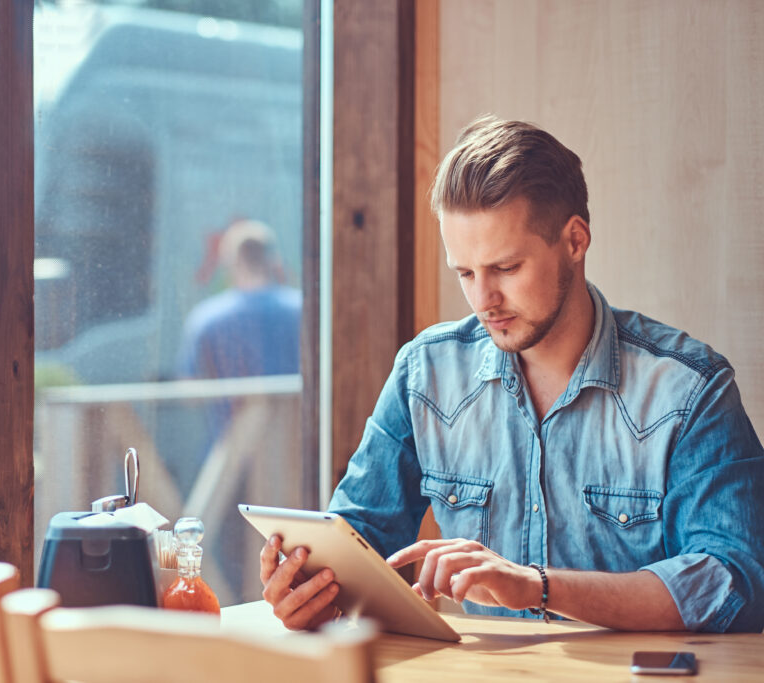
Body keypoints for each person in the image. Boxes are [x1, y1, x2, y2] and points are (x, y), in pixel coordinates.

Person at [259, 115, 764, 633]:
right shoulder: (425, 373)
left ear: (574, 240)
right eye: (465, 274)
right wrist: (310, 588)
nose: (484, 300)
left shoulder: (690, 389)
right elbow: (358, 539)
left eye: (505, 268)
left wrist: (537, 586)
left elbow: (735, 583)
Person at [177, 219, 301, 385]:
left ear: (228, 264)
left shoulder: (205, 318)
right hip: (296, 411)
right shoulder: (303, 310)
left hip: (234, 412)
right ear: (274, 260)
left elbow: (189, 385)